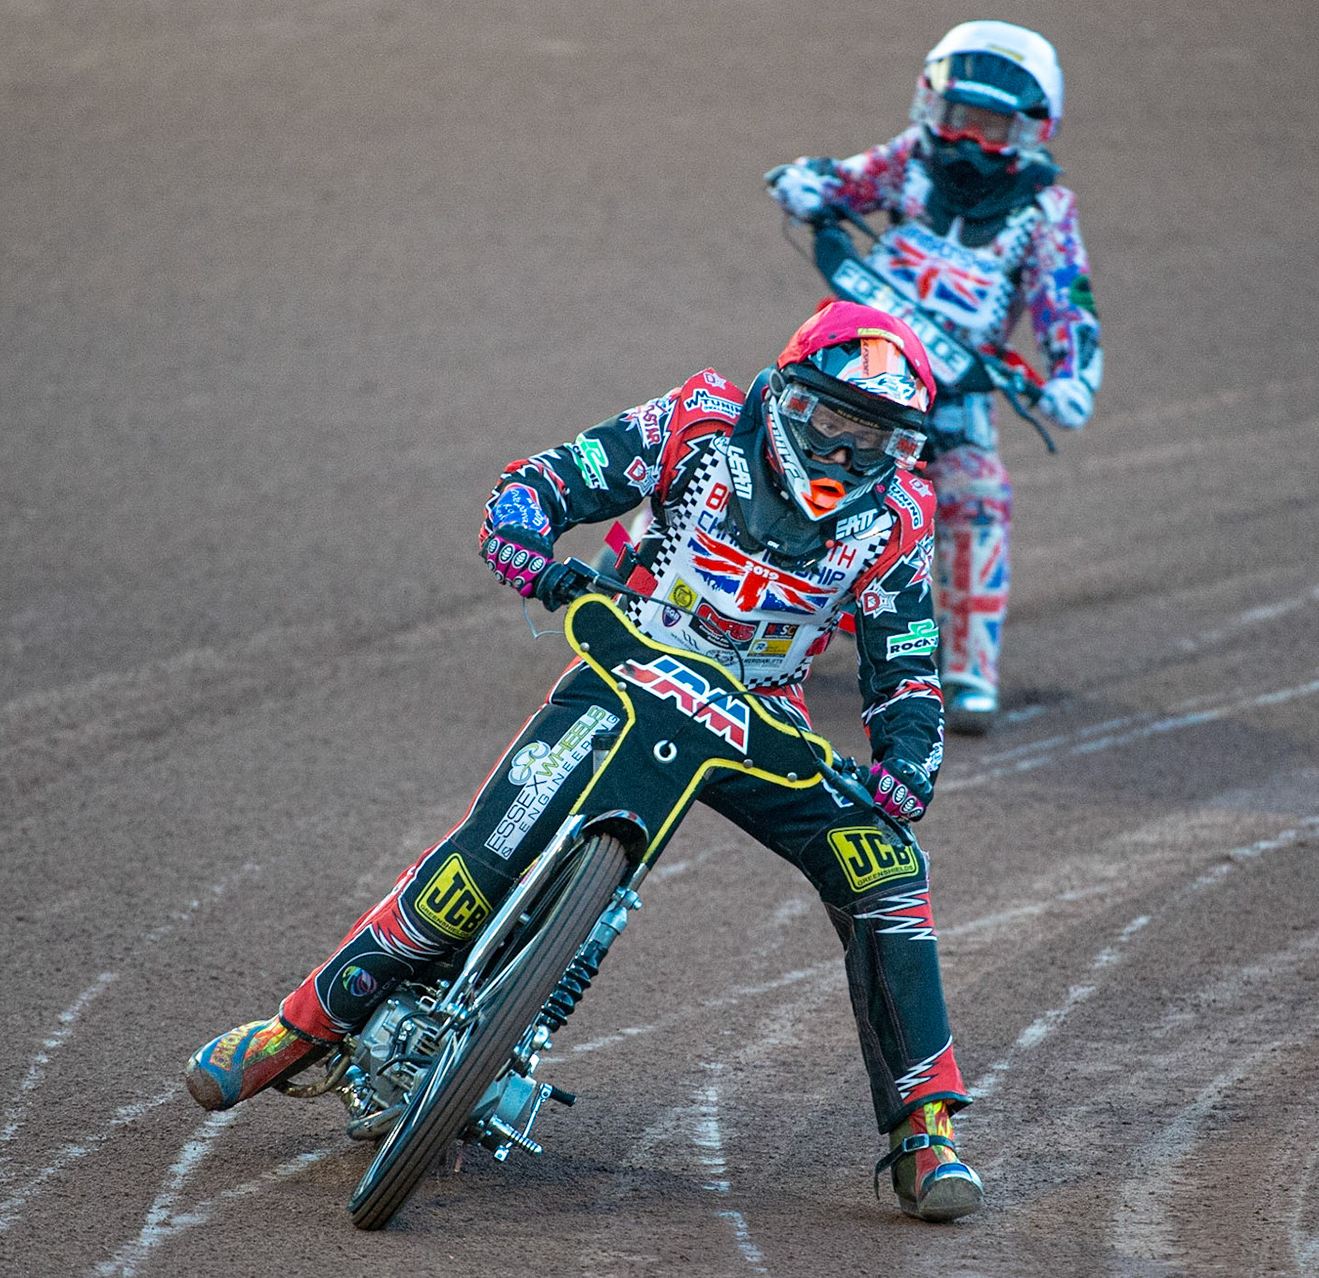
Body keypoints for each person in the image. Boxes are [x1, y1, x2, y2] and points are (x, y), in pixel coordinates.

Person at [183, 301, 984, 1222]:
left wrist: (907, 764)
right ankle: (302, 1025)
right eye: (832, 418)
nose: (846, 451)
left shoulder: (899, 517)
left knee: (886, 870)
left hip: (763, 714)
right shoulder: (700, 424)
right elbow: (545, 481)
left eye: (874, 435)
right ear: (788, 394)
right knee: (488, 854)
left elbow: (908, 657)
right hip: (631, 656)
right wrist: (526, 546)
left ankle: (927, 1131)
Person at [766, 20, 1104, 732]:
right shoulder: (909, 160)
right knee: (757, 441)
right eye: (959, 118)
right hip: (852, 367)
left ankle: (968, 671)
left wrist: (1074, 372)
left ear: (1034, 130)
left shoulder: (1045, 211)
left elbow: (1064, 296)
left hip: (954, 394)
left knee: (979, 501)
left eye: (993, 126)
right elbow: (846, 180)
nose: (970, 142)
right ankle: (657, 577)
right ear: (930, 105)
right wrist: (807, 182)